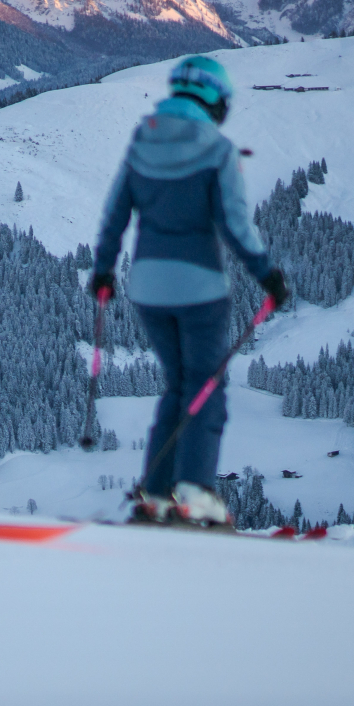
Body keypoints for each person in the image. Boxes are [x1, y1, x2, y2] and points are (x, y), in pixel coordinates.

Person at [90, 55, 290, 525]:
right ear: (214, 100)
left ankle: (156, 495)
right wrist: (267, 274)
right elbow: (236, 225)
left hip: (148, 290)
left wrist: (102, 270)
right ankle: (196, 493)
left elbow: (116, 211)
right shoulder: (217, 150)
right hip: (200, 290)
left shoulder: (142, 140)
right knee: (206, 388)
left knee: (178, 387)